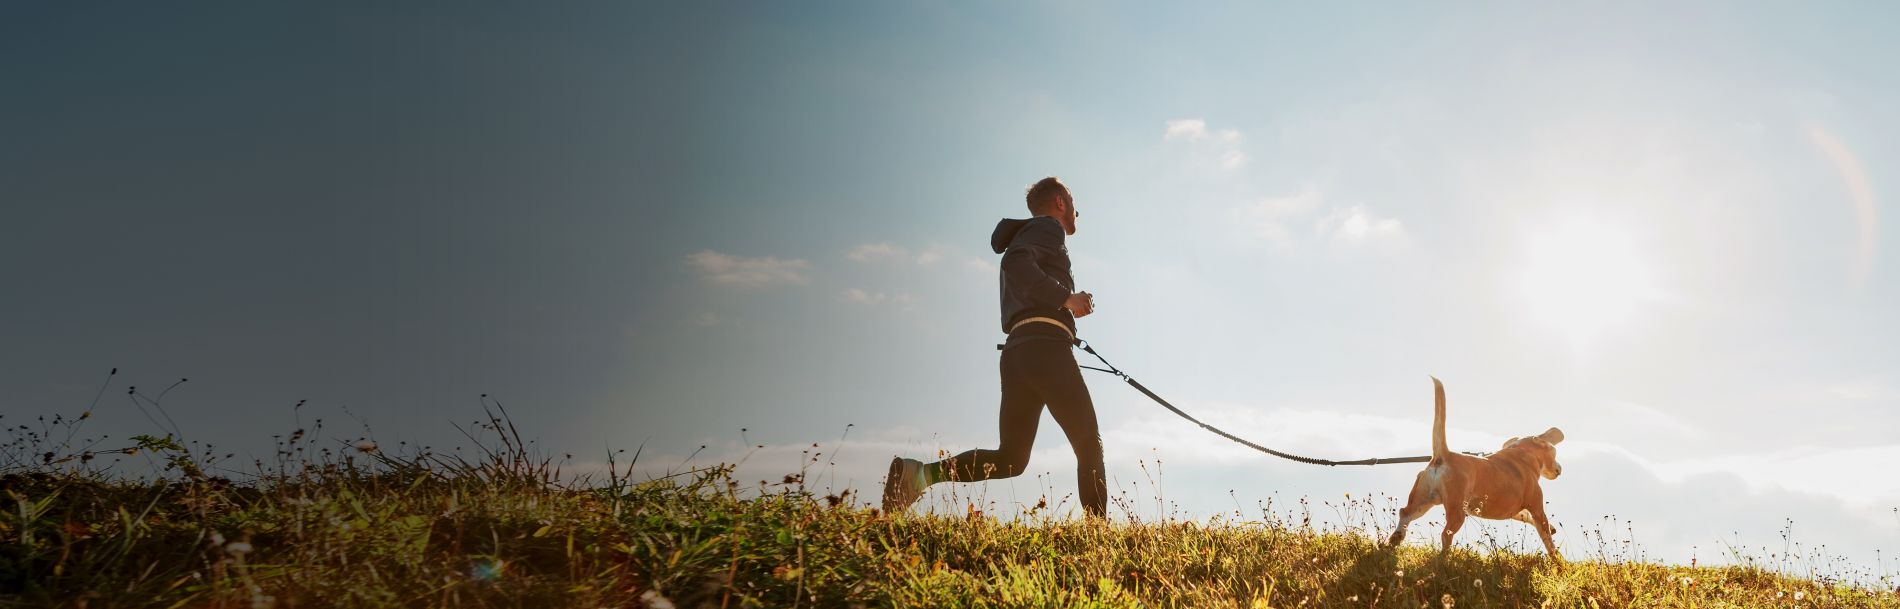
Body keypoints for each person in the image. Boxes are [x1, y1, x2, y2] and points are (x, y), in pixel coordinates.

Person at [881, 176, 1106, 518]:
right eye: (1073, 201)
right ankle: (1097, 537)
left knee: (1012, 458)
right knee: (1088, 442)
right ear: (1060, 202)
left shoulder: (1032, 233)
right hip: (1045, 350)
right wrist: (1066, 298)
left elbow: (1019, 266)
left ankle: (919, 474)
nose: (1078, 210)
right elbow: (1015, 263)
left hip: (1018, 353)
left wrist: (1065, 305)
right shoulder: (1048, 228)